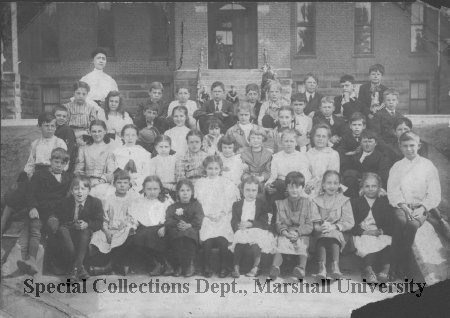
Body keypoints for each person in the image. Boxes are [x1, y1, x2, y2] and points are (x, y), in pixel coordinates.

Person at [1, 113, 67, 236]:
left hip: (51, 176)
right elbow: (30, 164)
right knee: (13, 195)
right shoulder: (35, 143)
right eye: (46, 126)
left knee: (28, 193)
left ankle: (27, 222)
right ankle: (3, 226)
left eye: (53, 126)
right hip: (36, 175)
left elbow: (63, 164)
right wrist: (28, 177)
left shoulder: (59, 142)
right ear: (39, 126)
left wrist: (50, 173)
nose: (50, 129)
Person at [387, 132, 441, 279]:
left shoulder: (427, 166)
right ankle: (393, 265)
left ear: (419, 145)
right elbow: (393, 191)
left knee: (411, 226)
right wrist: (403, 206)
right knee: (400, 222)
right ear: (400, 147)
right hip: (401, 205)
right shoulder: (397, 166)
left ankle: (402, 265)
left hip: (421, 207)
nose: (409, 149)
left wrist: (423, 207)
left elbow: (434, 193)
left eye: (412, 145)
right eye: (405, 146)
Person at [16, 148, 72, 276]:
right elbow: (30, 193)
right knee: (35, 227)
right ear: (50, 161)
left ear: (66, 164)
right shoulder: (40, 174)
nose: (59, 165)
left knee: (55, 229)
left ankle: (56, 266)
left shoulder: (67, 177)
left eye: (62, 163)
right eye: (56, 162)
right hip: (40, 208)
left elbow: (68, 197)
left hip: (56, 212)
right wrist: (32, 207)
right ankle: (31, 260)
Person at [195, 155, 240, 278]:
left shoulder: (226, 183)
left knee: (222, 239)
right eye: (210, 168)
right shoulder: (200, 183)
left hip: (222, 215)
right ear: (205, 169)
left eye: (216, 168)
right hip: (207, 216)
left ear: (220, 169)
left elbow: (230, 202)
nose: (213, 171)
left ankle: (224, 267)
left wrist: (221, 214)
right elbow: (199, 202)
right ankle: (207, 266)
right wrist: (207, 215)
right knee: (207, 240)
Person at [269, 172, 319, 280]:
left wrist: (298, 232)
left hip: (301, 232)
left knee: (303, 243)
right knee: (281, 242)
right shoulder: (281, 203)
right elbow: (279, 222)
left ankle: (301, 268)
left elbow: (309, 225)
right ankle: (275, 267)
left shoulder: (308, 203)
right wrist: (285, 232)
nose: (294, 190)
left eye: (297, 187)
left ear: (302, 188)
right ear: (287, 187)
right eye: (291, 187)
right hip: (286, 231)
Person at [54, 176, 104, 281]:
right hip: (69, 230)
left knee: (84, 233)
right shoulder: (65, 203)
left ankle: (74, 270)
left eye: (83, 189)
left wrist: (88, 224)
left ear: (89, 191)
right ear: (72, 191)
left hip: (84, 232)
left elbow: (99, 222)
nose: (79, 192)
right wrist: (72, 224)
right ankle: (80, 268)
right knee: (62, 230)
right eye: (76, 189)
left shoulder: (95, 202)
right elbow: (61, 220)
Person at [90, 170, 137, 275]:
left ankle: (109, 266)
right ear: (114, 184)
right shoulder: (109, 199)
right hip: (110, 229)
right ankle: (103, 264)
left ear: (129, 184)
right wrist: (106, 231)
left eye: (125, 183)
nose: (122, 185)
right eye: (119, 183)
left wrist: (126, 224)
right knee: (97, 237)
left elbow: (134, 217)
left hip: (124, 228)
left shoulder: (132, 199)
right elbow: (104, 218)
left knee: (127, 233)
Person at [312, 170, 355, 279]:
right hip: (320, 231)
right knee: (323, 235)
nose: (332, 186)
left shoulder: (344, 200)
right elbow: (314, 220)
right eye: (329, 183)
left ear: (339, 184)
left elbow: (349, 221)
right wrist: (320, 227)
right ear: (323, 185)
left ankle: (335, 266)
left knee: (333, 234)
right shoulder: (316, 200)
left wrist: (334, 227)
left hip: (339, 231)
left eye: (336, 183)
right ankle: (322, 267)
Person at [351, 173, 393, 283]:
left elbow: (389, 223)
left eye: (374, 186)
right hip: (363, 232)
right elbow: (351, 224)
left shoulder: (384, 202)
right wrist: (364, 232)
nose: (370, 189)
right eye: (367, 186)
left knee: (387, 240)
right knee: (368, 241)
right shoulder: (356, 202)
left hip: (378, 232)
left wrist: (380, 231)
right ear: (362, 188)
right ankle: (368, 270)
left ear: (379, 187)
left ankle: (385, 269)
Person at [128, 176, 174, 276]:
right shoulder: (140, 201)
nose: (152, 192)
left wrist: (165, 227)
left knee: (151, 235)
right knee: (136, 238)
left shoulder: (165, 201)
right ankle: (158, 264)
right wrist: (133, 226)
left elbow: (171, 217)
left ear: (160, 189)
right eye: (149, 189)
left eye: (155, 189)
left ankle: (164, 264)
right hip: (144, 229)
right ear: (144, 189)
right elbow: (135, 217)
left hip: (161, 228)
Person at [230, 176, 275, 278]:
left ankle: (255, 267)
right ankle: (236, 267)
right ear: (242, 190)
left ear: (258, 191)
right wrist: (238, 225)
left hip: (257, 230)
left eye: (254, 190)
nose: (251, 193)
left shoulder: (262, 204)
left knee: (256, 243)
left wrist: (251, 224)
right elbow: (234, 220)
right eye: (248, 190)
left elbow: (264, 223)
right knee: (239, 242)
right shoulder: (237, 204)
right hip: (242, 230)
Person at [265, 129, 311, 219]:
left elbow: (303, 176)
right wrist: (268, 185)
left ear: (296, 143)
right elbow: (273, 176)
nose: (289, 144)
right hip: (281, 185)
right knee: (276, 186)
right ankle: (276, 219)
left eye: (291, 141)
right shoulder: (276, 156)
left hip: (296, 185)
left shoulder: (302, 157)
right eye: (286, 141)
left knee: (283, 186)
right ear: (281, 143)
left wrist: (291, 187)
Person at [165, 179, 204, 277]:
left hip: (191, 229)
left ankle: (190, 265)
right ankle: (179, 266)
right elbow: (168, 219)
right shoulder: (173, 206)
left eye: (188, 190)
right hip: (177, 229)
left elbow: (199, 218)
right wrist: (178, 223)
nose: (185, 193)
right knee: (176, 235)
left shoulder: (196, 205)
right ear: (177, 193)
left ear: (192, 192)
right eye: (182, 190)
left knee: (188, 234)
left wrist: (189, 225)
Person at [74, 120, 116, 203]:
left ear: (105, 131)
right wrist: (86, 182)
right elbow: (78, 170)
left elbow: (111, 172)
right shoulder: (83, 148)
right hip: (85, 183)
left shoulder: (110, 149)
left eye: (99, 131)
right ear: (90, 132)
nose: (97, 134)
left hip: (103, 183)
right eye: (94, 131)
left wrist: (100, 182)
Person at [342, 130, 391, 198]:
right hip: (354, 188)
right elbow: (346, 171)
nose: (367, 144)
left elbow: (382, 176)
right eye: (365, 141)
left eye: (370, 141)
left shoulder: (382, 157)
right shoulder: (355, 155)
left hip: (372, 187)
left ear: (375, 143)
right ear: (360, 143)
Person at [113, 124, 151, 193]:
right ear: (122, 136)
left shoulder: (143, 152)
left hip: (138, 185)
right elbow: (114, 171)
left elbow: (146, 173)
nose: (130, 138)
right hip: (120, 184)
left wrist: (135, 182)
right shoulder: (116, 152)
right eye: (127, 135)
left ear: (137, 137)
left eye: (133, 135)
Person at [305, 123, 340, 197]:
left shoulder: (333, 154)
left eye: (323, 136)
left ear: (328, 139)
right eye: (318, 136)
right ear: (313, 137)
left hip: (328, 185)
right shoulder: (308, 154)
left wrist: (316, 182)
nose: (320, 139)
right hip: (310, 186)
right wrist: (309, 183)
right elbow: (305, 173)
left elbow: (332, 175)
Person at [53, 105, 77, 173]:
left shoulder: (67, 130)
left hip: (64, 162)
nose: (61, 118)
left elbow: (69, 150)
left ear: (67, 118)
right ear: (53, 116)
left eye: (64, 116)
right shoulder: (53, 129)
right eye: (58, 115)